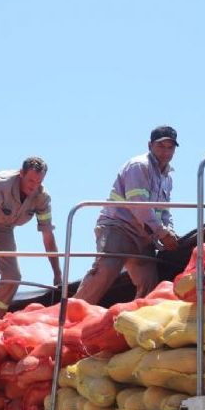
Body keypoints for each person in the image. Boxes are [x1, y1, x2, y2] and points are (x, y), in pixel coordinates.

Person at [74, 125, 179, 305]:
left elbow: (164, 210)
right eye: (161, 146)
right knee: (106, 270)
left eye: (170, 147)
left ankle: (138, 323)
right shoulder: (139, 166)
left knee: (149, 284)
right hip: (118, 227)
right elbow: (139, 205)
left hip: (143, 235)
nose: (166, 152)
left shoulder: (167, 177)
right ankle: (70, 317)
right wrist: (162, 233)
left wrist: (170, 230)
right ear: (150, 146)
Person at [0, 156, 62, 329]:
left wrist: (57, 274)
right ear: (21, 174)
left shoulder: (42, 198)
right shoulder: (0, 183)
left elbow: (47, 235)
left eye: (38, 181)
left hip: (4, 227)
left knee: (13, 276)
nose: (34, 186)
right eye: (31, 180)